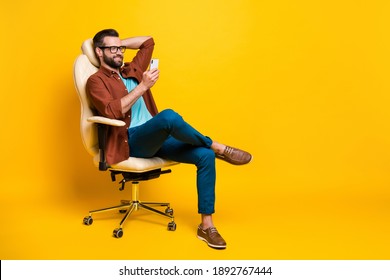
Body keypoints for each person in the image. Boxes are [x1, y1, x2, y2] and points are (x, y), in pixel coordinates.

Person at [86, 29, 252, 249]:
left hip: (155, 138)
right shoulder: (96, 81)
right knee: (169, 117)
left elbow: (148, 42)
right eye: (112, 49)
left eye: (121, 49)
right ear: (99, 51)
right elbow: (111, 111)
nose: (119, 53)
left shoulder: (131, 69)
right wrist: (143, 86)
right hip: (131, 141)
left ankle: (207, 226)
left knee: (204, 156)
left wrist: (117, 44)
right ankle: (217, 146)